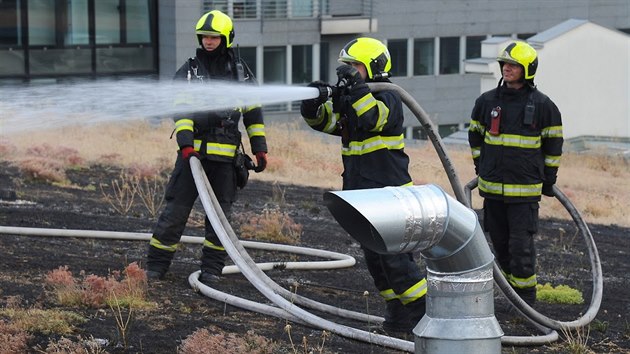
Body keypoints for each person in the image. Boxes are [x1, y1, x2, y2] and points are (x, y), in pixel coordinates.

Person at [300, 37, 427, 334]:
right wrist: (312, 104)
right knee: (377, 263)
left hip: (389, 194)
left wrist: (355, 89)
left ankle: (424, 321)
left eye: (354, 67)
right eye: (346, 67)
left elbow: (371, 118)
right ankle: (397, 319)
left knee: (396, 263)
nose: (349, 72)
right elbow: (329, 125)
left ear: (373, 67)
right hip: (361, 194)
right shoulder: (355, 97)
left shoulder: (388, 97)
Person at [146, 10, 268, 285]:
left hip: (225, 162)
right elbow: (181, 109)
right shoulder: (190, 71)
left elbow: (253, 114)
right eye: (204, 37)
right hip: (194, 158)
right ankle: (156, 267)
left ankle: (212, 270)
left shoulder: (241, 74)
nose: (208, 41)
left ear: (226, 39)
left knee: (220, 221)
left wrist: (259, 147)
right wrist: (186, 145)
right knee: (175, 213)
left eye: (214, 37)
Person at [468, 41, 563, 305]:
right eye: (504, 64)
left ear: (527, 69)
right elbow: (475, 136)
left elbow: (554, 144)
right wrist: (481, 167)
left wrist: (549, 179)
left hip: (524, 196)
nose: (507, 69)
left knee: (521, 249)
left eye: (513, 65)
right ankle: (511, 297)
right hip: (493, 192)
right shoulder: (486, 102)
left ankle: (526, 302)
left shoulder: (544, 106)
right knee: (499, 245)